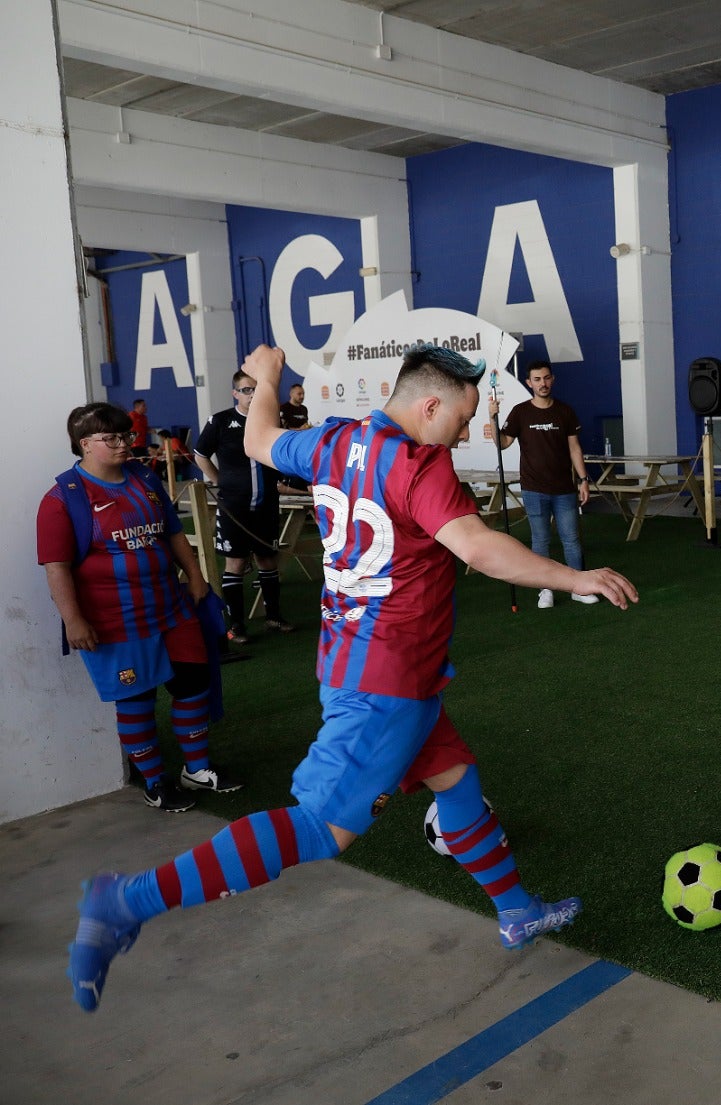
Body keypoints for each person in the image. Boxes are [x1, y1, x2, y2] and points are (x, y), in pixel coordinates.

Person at [65, 343, 639, 1014]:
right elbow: (479, 548)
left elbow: (258, 438)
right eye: (463, 419)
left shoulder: (335, 441)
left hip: (378, 667)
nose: (465, 431)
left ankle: (516, 910)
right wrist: (577, 576)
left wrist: (267, 377)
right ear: (430, 406)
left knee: (456, 778)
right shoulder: (421, 466)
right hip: (384, 683)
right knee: (318, 828)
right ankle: (123, 899)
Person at [37, 404, 241, 814]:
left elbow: (172, 532)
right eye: (111, 439)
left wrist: (197, 576)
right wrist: (73, 620)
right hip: (116, 623)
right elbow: (56, 567)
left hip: (171, 608)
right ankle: (154, 781)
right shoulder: (63, 499)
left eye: (126, 436)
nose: (123, 444)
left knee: (193, 684)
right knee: (136, 700)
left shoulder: (145, 478)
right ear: (84, 445)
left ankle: (196, 769)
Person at [194, 369, 294, 643]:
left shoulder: (273, 419)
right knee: (235, 563)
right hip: (233, 508)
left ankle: (274, 617)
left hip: (266, 505)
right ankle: (236, 625)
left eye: (257, 389)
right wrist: (220, 481)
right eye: (247, 390)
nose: (252, 395)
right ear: (235, 393)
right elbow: (200, 455)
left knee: (267, 559)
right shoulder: (221, 421)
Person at [488, 359, 596, 610]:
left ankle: (578, 587)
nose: (542, 383)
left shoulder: (565, 411)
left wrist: (583, 479)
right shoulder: (520, 412)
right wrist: (492, 417)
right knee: (540, 540)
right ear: (529, 383)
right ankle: (544, 590)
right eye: (537, 379)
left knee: (571, 539)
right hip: (534, 488)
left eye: (546, 378)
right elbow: (502, 443)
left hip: (564, 488)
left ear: (552, 379)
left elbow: (574, 448)